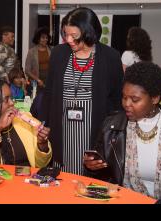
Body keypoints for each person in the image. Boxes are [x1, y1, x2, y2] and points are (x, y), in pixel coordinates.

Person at [83, 61, 161, 199]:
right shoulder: (111, 126)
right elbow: (103, 179)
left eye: (135, 99)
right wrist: (93, 168)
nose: (126, 104)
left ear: (155, 98)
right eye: (124, 97)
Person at [42, 7, 124, 175]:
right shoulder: (58, 54)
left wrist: (113, 136)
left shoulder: (110, 57)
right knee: (62, 177)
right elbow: (49, 92)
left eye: (74, 36)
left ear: (89, 33)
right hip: (62, 127)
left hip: (94, 129)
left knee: (89, 179)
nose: (69, 39)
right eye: (66, 34)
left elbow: (117, 99)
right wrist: (43, 123)